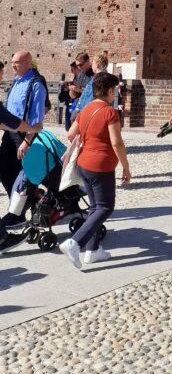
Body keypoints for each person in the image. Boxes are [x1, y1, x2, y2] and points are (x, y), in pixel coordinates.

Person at [59, 71, 130, 268]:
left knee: (95, 207)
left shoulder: (86, 110)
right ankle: (75, 243)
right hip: (101, 166)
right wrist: (126, 166)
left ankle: (93, 250)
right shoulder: (110, 112)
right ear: (109, 91)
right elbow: (117, 143)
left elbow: (71, 135)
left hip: (84, 164)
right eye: (114, 90)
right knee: (105, 207)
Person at [0, 51, 47, 228]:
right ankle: (26, 204)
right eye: (12, 62)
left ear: (28, 62)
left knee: (23, 178)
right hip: (10, 134)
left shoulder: (36, 83)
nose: (12, 66)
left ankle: (21, 212)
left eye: (17, 63)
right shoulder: (16, 81)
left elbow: (37, 119)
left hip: (24, 137)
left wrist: (27, 141)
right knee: (4, 171)